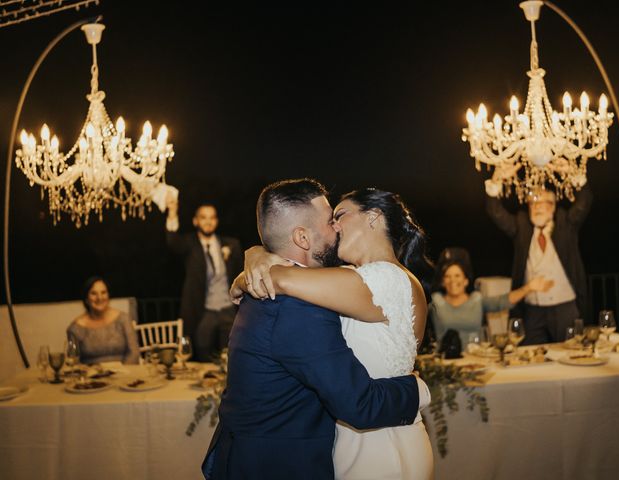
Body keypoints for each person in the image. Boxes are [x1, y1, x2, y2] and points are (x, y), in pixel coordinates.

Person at [202, 179, 431, 480]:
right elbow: (357, 402)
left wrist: (256, 263)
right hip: (288, 461)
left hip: (378, 446)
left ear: (374, 217)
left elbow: (283, 279)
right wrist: (420, 390)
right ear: (302, 237)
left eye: (340, 216)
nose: (335, 227)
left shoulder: (376, 280)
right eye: (330, 220)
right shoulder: (306, 300)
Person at [487, 185, 592, 344]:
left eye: (541, 203)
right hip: (532, 310)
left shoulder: (566, 224)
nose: (536, 207)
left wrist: (578, 180)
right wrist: (496, 183)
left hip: (564, 307)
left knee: (571, 353)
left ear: (553, 206)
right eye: (532, 203)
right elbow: (496, 213)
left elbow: (584, 203)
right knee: (530, 357)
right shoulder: (521, 226)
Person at [165, 195, 243, 360]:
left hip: (229, 310)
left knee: (231, 355)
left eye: (212, 217)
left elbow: (241, 274)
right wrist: (172, 213)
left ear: (216, 221)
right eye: (203, 217)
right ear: (195, 221)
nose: (208, 221)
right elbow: (173, 243)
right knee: (202, 356)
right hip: (202, 313)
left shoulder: (231, 245)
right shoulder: (189, 244)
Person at [430, 259, 553, 348]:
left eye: (457, 276)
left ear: (466, 281)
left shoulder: (477, 300)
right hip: (445, 361)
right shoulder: (435, 302)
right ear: (442, 282)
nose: (453, 280)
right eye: (448, 276)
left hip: (475, 360)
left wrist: (528, 288)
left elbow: (503, 301)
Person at [66, 276, 140, 365]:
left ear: (108, 295)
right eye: (93, 293)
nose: (99, 298)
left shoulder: (124, 319)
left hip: (125, 375)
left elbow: (134, 353)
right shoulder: (75, 328)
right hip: (92, 377)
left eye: (103, 292)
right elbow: (74, 362)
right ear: (86, 299)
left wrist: (122, 373)